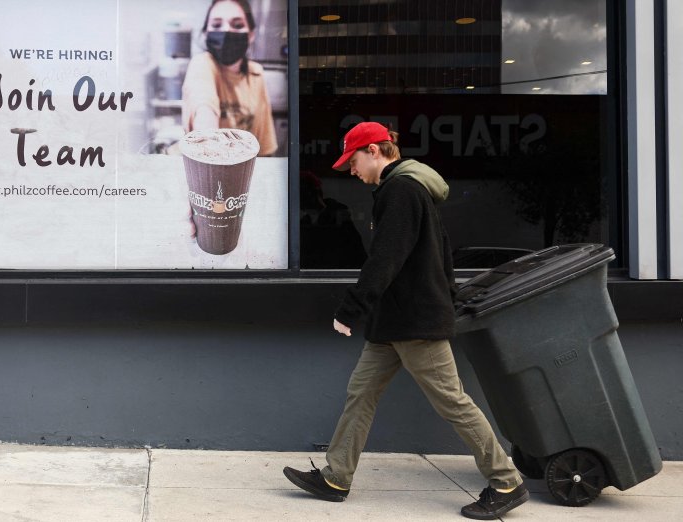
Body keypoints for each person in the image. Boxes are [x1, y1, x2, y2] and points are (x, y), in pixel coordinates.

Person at [283, 122, 529, 520]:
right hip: (393, 322)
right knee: (360, 392)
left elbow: (386, 257)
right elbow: (441, 250)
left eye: (353, 160)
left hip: (415, 321)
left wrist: (351, 308)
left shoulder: (402, 190)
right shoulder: (406, 190)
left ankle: (506, 481)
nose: (350, 170)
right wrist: (447, 294)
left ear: (376, 151)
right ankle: (336, 477)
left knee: (452, 402)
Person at [182, 0, 277, 156]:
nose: (226, 31)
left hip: (243, 170)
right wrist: (210, 144)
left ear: (251, 34)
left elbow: (264, 145)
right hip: (208, 165)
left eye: (238, 25)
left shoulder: (256, 74)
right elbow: (204, 109)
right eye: (217, 25)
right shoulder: (202, 64)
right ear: (206, 33)